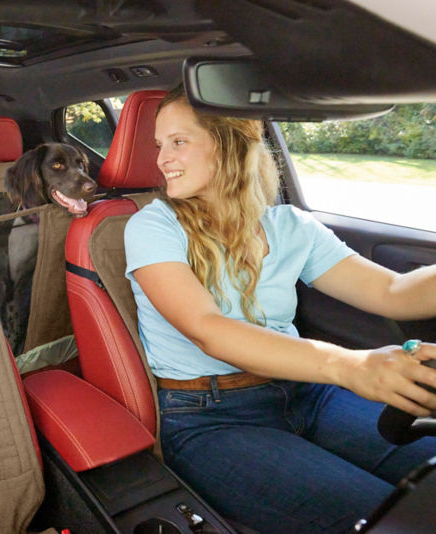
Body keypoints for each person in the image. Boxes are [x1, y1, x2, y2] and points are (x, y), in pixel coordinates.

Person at [124, 85, 436, 534]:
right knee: (398, 519)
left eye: (178, 141)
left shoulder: (289, 225)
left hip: (309, 394)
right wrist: (351, 366)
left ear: (232, 144)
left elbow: (393, 290)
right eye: (160, 144)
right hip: (210, 416)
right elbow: (207, 329)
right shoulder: (152, 226)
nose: (161, 159)